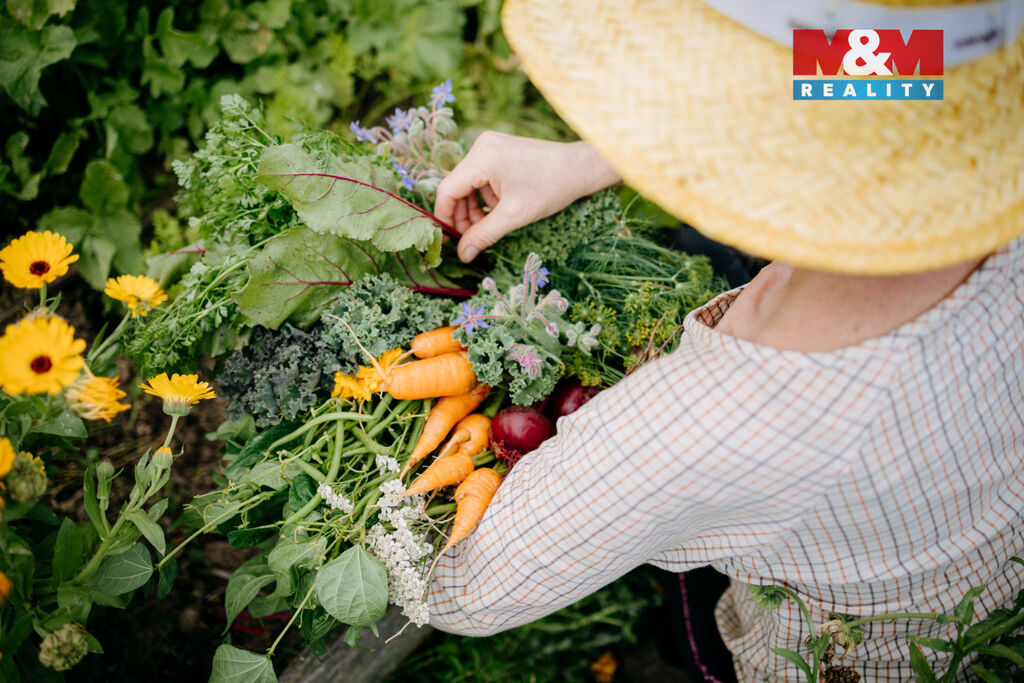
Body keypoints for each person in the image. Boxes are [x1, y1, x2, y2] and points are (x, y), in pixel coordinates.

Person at [427, 1, 1024, 680]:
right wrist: (596, 160)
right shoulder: (986, 113)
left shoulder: (723, 414)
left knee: (691, 630)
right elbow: (899, 60)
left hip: (838, 655)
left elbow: (469, 591)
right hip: (989, 560)